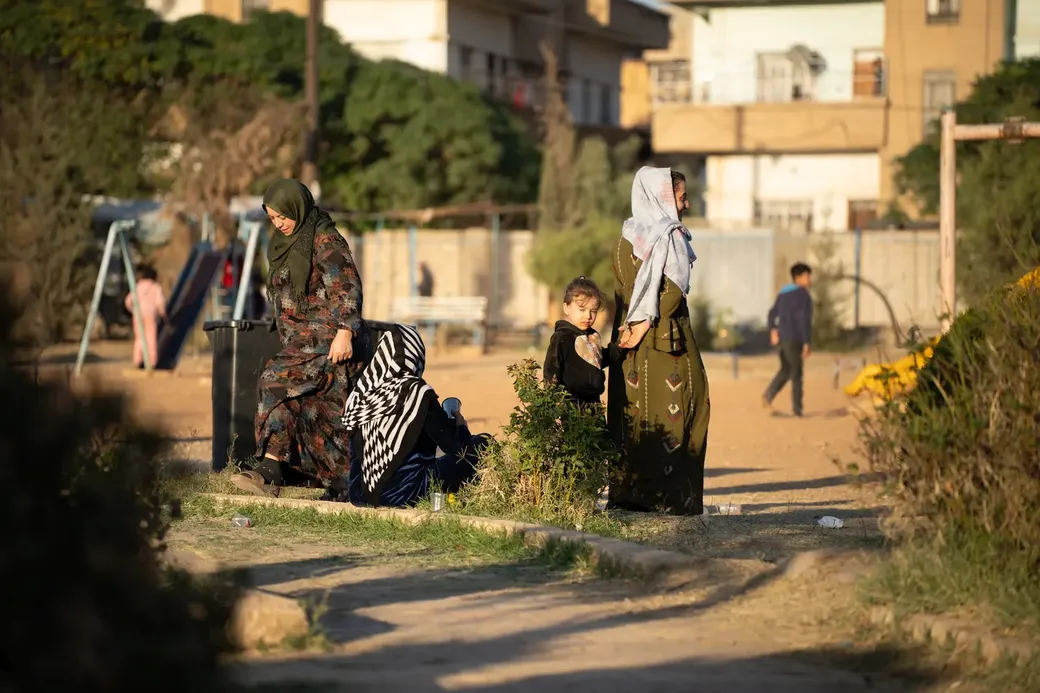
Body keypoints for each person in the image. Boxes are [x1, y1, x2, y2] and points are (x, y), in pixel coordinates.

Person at [230, 178, 364, 497]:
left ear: (298, 207)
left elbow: (346, 286)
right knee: (313, 412)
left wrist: (345, 332)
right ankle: (272, 471)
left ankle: (282, 469)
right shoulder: (283, 243)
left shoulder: (325, 239)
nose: (279, 224)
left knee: (272, 380)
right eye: (272, 218)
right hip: (297, 341)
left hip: (325, 339)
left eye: (283, 216)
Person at [607, 166, 710, 516]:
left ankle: (631, 496)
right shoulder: (672, 238)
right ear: (663, 197)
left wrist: (635, 323)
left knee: (633, 417)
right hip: (668, 345)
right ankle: (675, 499)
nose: (687, 204)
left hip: (630, 345)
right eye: (681, 197)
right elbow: (669, 297)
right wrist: (648, 319)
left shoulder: (627, 238)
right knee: (688, 410)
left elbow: (627, 289)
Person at [340, 323, 490, 507]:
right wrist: (460, 426)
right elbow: (456, 447)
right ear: (416, 353)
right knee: (483, 444)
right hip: (402, 494)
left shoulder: (360, 393)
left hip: (359, 496)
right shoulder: (417, 391)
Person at [543, 276, 625, 406]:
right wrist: (552, 403)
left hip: (594, 404)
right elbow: (551, 371)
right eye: (582, 310)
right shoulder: (562, 337)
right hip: (571, 406)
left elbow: (599, 360)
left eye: (593, 311)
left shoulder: (593, 336)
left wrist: (622, 345)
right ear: (566, 308)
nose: (588, 316)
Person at [763, 262, 814, 417]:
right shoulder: (804, 296)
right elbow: (804, 320)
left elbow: (772, 313)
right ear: (798, 277)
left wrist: (773, 330)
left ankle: (768, 395)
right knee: (796, 374)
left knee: (786, 370)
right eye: (807, 276)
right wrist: (806, 342)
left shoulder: (783, 293)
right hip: (795, 339)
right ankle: (797, 410)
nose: (809, 279)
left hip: (783, 338)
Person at [124, 264, 166, 369]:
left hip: (138, 315)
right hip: (150, 315)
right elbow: (159, 302)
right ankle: (151, 361)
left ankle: (138, 359)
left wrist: (133, 311)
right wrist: (163, 314)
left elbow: (128, 301)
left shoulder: (138, 286)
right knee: (151, 338)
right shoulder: (155, 287)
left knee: (139, 337)